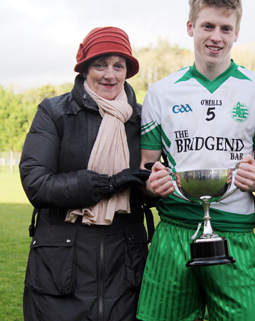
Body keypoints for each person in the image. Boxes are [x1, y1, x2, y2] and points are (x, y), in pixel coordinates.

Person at [137, 0, 255, 321]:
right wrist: (151, 183)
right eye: (208, 26)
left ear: (236, 33)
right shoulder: (161, 92)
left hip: (235, 231)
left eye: (225, 28)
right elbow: (146, 167)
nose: (216, 36)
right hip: (174, 228)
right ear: (191, 27)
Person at [19, 26, 154, 321]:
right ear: (84, 68)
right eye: (100, 64)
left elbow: (154, 187)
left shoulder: (144, 119)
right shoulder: (54, 112)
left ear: (127, 71)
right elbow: (36, 183)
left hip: (125, 264)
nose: (110, 74)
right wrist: (109, 184)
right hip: (61, 267)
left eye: (119, 66)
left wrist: (154, 186)